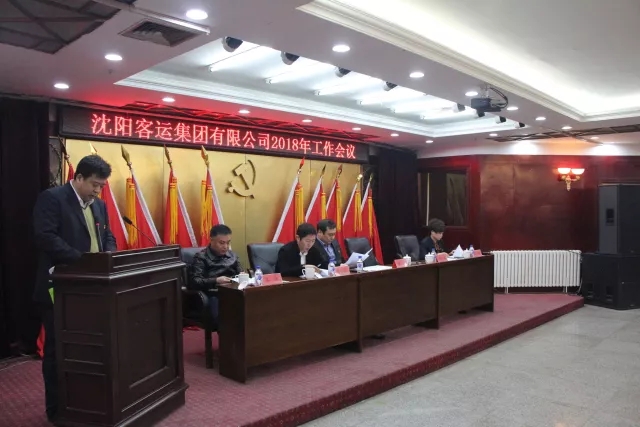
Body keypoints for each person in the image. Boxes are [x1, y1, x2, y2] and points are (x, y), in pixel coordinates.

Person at [33, 154, 116, 422]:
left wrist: (108, 255)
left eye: (101, 185)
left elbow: (107, 236)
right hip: (61, 288)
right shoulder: (53, 198)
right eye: (94, 184)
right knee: (59, 351)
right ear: (78, 177)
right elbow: (45, 236)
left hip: (93, 289)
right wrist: (81, 261)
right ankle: (57, 409)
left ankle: (85, 401)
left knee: (89, 348)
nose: (97, 190)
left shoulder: (99, 205)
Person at [188, 224, 242, 326]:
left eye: (228, 242)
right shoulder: (201, 257)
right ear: (211, 240)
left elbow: (240, 274)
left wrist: (244, 276)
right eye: (221, 243)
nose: (225, 247)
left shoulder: (232, 256)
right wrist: (216, 280)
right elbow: (195, 281)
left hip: (234, 292)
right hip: (213, 294)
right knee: (227, 318)